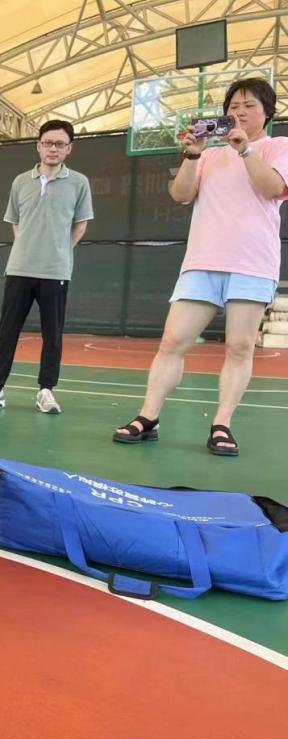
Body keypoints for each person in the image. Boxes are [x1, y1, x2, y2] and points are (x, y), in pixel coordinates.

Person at [114, 78, 288, 456]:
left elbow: (273, 188)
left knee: (239, 346)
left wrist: (245, 150)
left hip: (252, 262)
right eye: (233, 106)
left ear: (267, 112)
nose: (240, 112)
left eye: (249, 106)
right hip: (202, 261)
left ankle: (222, 423)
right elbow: (180, 195)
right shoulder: (209, 154)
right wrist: (193, 155)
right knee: (173, 341)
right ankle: (148, 416)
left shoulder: (278, 147)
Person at [0, 119, 93, 415]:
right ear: (38, 146)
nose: (53, 148)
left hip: (56, 272)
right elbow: (16, 223)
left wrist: (59, 252)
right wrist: (28, 248)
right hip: (19, 270)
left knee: (53, 335)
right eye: (48, 143)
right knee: (8, 332)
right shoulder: (20, 181)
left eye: (59, 144)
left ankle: (46, 391)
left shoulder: (79, 183)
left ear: (69, 149)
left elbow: (81, 225)